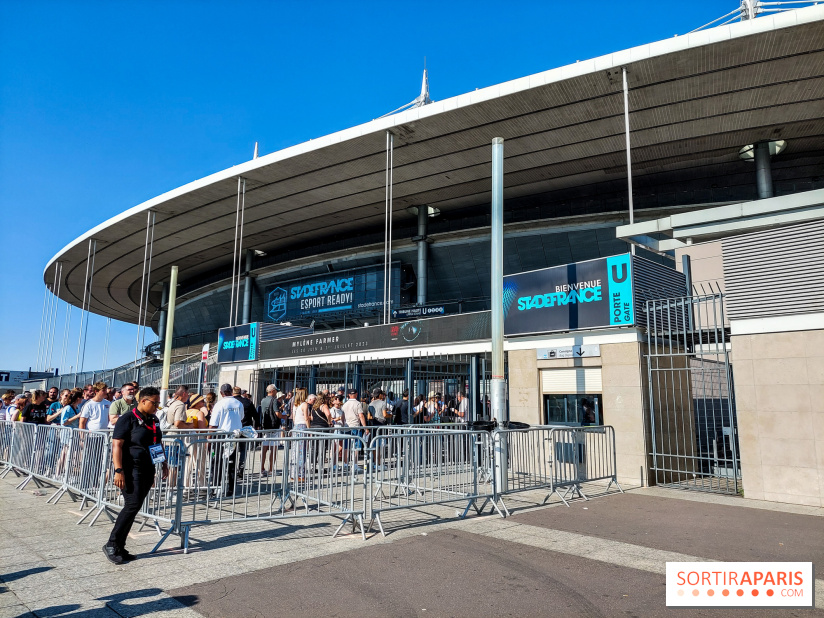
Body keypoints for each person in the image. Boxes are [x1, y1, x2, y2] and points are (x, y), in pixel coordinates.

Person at [104, 386, 168, 565]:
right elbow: (116, 445)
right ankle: (112, 544)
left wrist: (163, 463)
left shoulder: (153, 419)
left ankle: (120, 547)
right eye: (154, 403)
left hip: (148, 467)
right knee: (131, 505)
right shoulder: (128, 419)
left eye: (158, 403)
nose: (156, 406)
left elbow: (158, 443)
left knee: (135, 506)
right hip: (130, 469)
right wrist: (118, 470)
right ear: (143, 401)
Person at [208, 384, 244, 495]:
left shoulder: (220, 404)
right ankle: (231, 488)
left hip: (221, 436)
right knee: (231, 462)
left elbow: (213, 424)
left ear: (221, 393)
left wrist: (208, 439)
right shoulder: (239, 403)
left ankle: (216, 487)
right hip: (234, 435)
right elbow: (241, 417)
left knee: (217, 461)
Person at [258, 385, 283, 477]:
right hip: (274, 427)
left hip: (265, 427)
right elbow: (277, 414)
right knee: (273, 449)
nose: (276, 392)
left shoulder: (263, 400)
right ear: (272, 391)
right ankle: (271, 469)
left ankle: (261, 469)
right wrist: (283, 416)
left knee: (264, 449)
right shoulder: (275, 400)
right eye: (276, 391)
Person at [341, 389, 366, 470]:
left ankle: (345, 463)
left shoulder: (345, 404)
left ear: (348, 395)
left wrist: (343, 423)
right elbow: (361, 416)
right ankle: (354, 464)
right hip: (355, 426)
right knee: (356, 447)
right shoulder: (357, 403)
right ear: (356, 394)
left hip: (346, 426)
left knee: (346, 446)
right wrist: (365, 427)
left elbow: (343, 416)